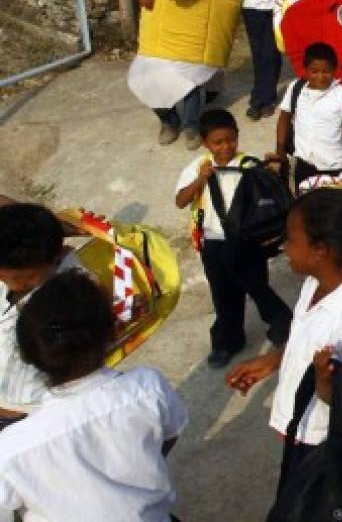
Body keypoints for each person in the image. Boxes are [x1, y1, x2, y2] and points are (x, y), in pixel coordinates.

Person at [0, 272, 187, 521]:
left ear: (28, 357)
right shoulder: (147, 388)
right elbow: (168, 435)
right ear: (112, 333)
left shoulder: (12, 447)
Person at [226, 189, 342, 473]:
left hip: (323, 443)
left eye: (290, 238)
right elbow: (304, 338)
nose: (284, 247)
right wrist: (272, 361)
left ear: (320, 251)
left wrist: (326, 385)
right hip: (298, 425)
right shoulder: (314, 282)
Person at [176, 109, 292, 367]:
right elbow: (180, 201)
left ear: (238, 137)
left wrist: (272, 171)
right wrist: (200, 181)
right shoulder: (198, 167)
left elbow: (270, 198)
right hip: (213, 243)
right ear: (206, 143)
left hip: (247, 242)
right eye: (218, 142)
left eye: (230, 140)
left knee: (258, 288)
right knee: (223, 295)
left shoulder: (249, 164)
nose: (225, 146)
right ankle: (227, 342)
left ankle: (283, 328)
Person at [129, 0, 232, 148]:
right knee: (148, 78)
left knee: (189, 78)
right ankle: (169, 121)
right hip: (157, 28)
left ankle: (191, 126)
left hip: (188, 28)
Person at [0, 203, 82, 425]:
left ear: (56, 257)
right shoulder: (12, 266)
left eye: (25, 278)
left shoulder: (72, 292)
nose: (16, 286)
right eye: (6, 278)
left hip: (28, 414)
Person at [275, 42, 342, 188]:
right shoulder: (295, 88)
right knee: (305, 208)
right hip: (304, 167)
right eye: (314, 71)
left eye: (326, 71)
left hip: (334, 168)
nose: (321, 77)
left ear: (334, 70)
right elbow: (283, 119)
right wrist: (280, 150)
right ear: (306, 70)